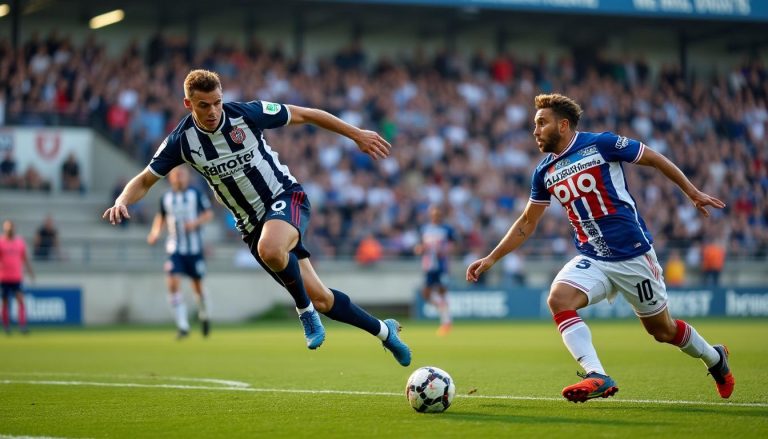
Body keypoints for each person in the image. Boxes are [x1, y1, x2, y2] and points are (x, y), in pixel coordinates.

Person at [103, 69, 411, 366]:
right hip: (251, 227)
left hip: (285, 197)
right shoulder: (182, 141)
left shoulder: (246, 114)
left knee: (272, 250)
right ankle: (385, 332)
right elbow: (145, 179)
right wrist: (122, 200)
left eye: (217, 102)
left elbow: (306, 114)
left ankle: (303, 312)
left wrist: (356, 134)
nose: (212, 111)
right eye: (203, 105)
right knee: (322, 299)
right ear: (188, 104)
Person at [466, 93, 734, 402]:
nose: (535, 130)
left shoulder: (601, 144)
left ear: (563, 125)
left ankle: (715, 359)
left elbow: (654, 158)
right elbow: (527, 221)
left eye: (542, 123)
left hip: (633, 255)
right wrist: (490, 258)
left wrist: (692, 192)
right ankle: (597, 375)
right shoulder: (544, 172)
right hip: (593, 256)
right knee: (559, 299)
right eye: (534, 124)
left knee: (663, 331)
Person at [147, 166, 214, 339]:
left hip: (194, 249)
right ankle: (183, 326)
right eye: (175, 175)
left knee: (197, 287)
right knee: (172, 283)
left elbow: (208, 214)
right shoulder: (166, 198)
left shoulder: (196, 194)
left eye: (181, 175)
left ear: (187, 177)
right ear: (170, 178)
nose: (178, 178)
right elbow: (161, 217)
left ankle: (204, 315)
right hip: (175, 248)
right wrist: (155, 232)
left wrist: (195, 223)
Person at [414, 204, 455, 336]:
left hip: (441, 266)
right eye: (434, 215)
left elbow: (454, 245)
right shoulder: (425, 229)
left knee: (442, 291)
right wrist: (419, 249)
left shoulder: (447, 229)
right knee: (426, 294)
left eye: (438, 215)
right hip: (429, 265)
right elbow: (419, 246)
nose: (436, 217)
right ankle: (444, 311)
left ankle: (446, 323)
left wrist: (445, 250)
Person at [0, 220, 35, 335]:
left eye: (11, 227)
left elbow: (25, 258)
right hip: (4, 277)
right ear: (4, 228)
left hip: (16, 277)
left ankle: (22, 326)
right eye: (7, 227)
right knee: (5, 302)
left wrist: (30, 272)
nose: (9, 229)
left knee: (21, 301)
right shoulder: (1, 242)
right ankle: (6, 326)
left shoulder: (20, 242)